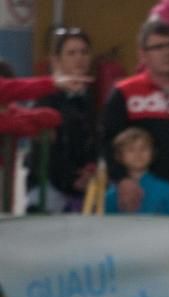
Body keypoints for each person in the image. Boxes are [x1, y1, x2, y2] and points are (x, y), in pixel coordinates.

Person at [101, 22, 169, 213]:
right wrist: (121, 179)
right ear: (143, 55)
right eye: (159, 47)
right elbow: (105, 141)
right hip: (140, 198)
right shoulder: (125, 92)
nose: (167, 53)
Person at [27, 27, 99, 213]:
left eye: (84, 52)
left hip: (86, 189)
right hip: (49, 187)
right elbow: (43, 151)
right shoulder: (45, 98)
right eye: (71, 53)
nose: (79, 58)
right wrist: (71, 180)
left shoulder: (94, 97)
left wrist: (91, 170)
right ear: (57, 60)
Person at [104, 126, 169, 214]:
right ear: (119, 156)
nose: (138, 154)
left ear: (153, 153)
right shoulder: (111, 193)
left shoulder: (166, 189)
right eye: (131, 149)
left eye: (144, 148)